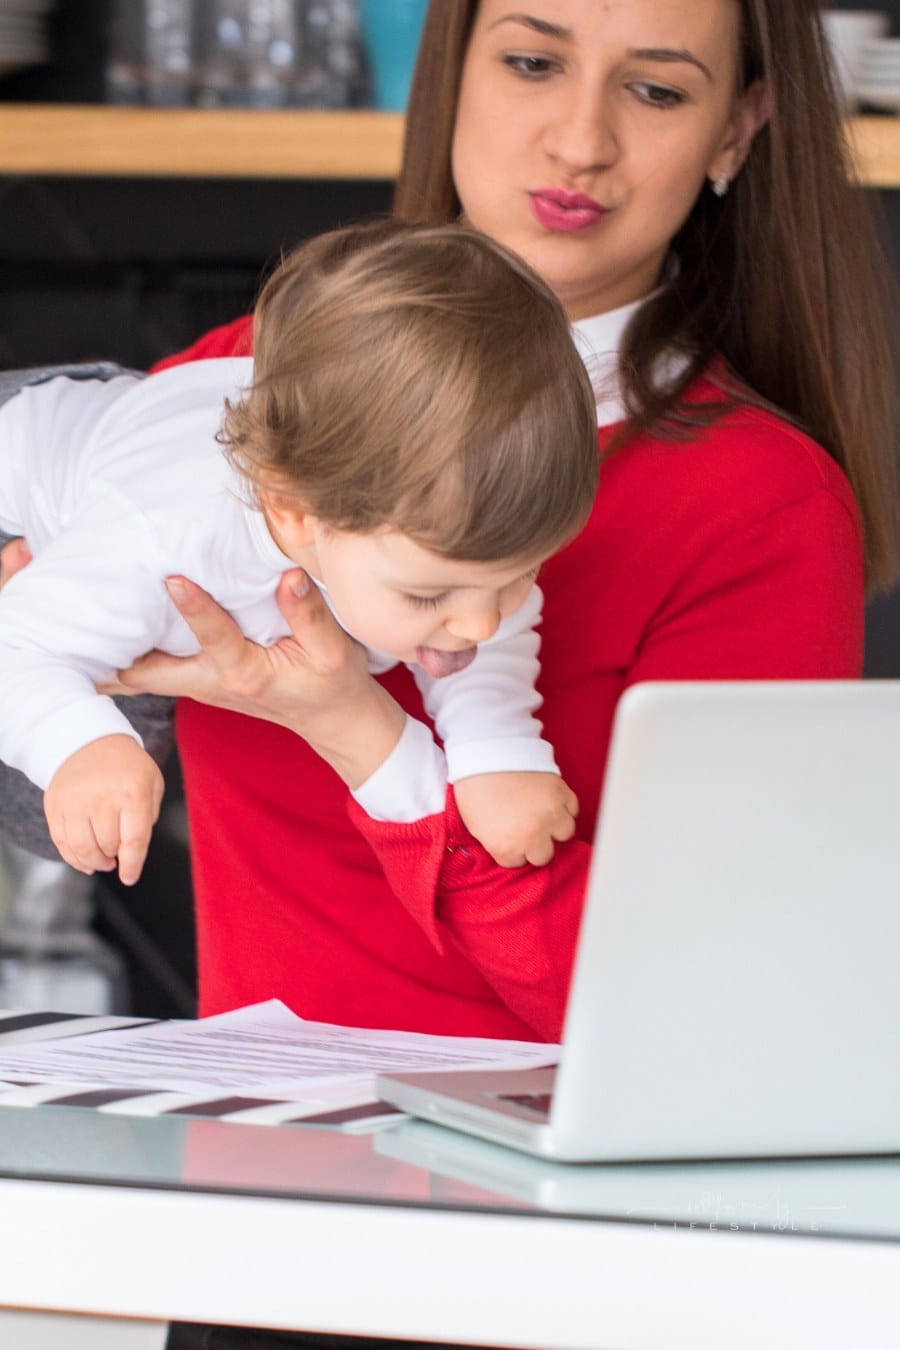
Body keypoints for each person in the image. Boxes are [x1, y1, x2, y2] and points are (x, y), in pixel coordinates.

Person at [1, 1, 897, 1347]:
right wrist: (65, 675)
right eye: (532, 61)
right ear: (449, 75)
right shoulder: (248, 392)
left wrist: (364, 732)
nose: (579, 137)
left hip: (592, 1264)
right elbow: (42, 815)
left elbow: (690, 1035)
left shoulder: (756, 504)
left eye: (655, 91)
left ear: (738, 130)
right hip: (267, 1234)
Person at [0, 222, 597, 885]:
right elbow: (17, 647)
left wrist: (499, 751)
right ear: (296, 515)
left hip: (149, 425)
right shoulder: (165, 544)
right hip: (31, 477)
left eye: (519, 576)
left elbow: (489, 639)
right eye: (429, 596)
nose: (483, 624)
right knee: (71, 812)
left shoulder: (432, 544)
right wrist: (86, 747)